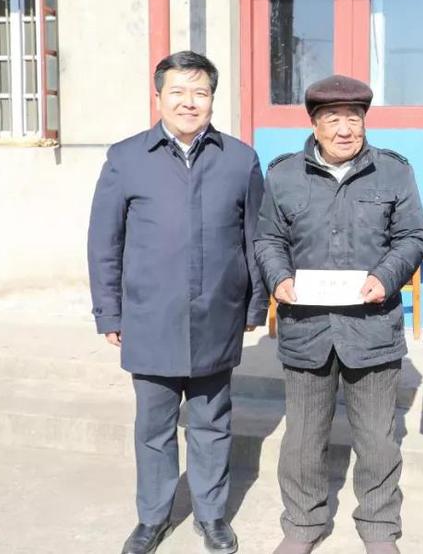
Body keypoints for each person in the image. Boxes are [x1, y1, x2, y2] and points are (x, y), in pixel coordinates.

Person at [88, 51, 267, 554]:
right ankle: (152, 518)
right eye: (178, 92)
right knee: (154, 428)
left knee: (212, 424)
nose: (190, 102)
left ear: (212, 98)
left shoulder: (240, 160)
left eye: (200, 92)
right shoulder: (126, 159)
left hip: (217, 315)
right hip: (151, 317)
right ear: (159, 97)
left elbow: (256, 239)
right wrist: (109, 311)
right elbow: (104, 243)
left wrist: (254, 306)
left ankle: (211, 516)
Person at [254, 74, 423, 554]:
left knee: (377, 439)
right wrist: (279, 278)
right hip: (306, 329)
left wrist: (386, 277)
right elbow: (268, 239)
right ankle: (302, 524)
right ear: (314, 124)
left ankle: (379, 527)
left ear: (365, 121)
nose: (345, 129)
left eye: (354, 118)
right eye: (333, 119)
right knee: (303, 439)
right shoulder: (284, 175)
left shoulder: (393, 172)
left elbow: (412, 236)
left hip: (371, 329)